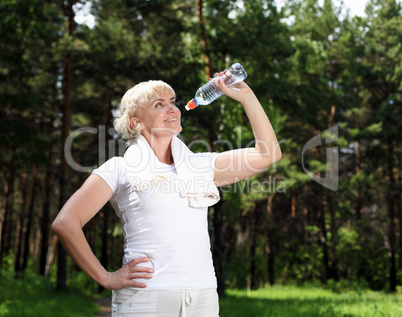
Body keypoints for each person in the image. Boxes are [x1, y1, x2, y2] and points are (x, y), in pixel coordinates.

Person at [52, 71, 282, 317]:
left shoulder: (200, 166)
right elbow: (65, 222)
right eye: (159, 105)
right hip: (146, 299)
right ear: (135, 122)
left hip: (202, 297)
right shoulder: (119, 168)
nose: (172, 108)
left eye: (172, 102)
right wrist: (106, 278)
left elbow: (268, 154)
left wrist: (246, 96)